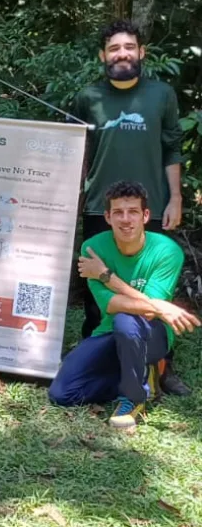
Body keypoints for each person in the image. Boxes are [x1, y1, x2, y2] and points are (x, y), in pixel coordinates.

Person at [71, 20, 187, 395]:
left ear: (141, 53)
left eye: (130, 47)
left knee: (154, 291)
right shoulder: (88, 97)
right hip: (97, 207)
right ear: (103, 55)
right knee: (95, 290)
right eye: (115, 48)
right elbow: (77, 153)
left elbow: (172, 147)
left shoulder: (161, 95)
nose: (122, 53)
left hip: (147, 209)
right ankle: (98, 352)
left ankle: (161, 365)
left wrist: (175, 197)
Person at [48, 181, 198, 430]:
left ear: (145, 215)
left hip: (151, 333)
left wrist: (107, 275)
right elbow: (112, 304)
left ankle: (134, 397)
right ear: (107, 217)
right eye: (118, 212)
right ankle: (143, 375)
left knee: (127, 320)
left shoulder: (167, 251)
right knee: (62, 393)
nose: (125, 219)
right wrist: (163, 307)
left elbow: (148, 311)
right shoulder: (93, 249)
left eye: (133, 212)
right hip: (108, 331)